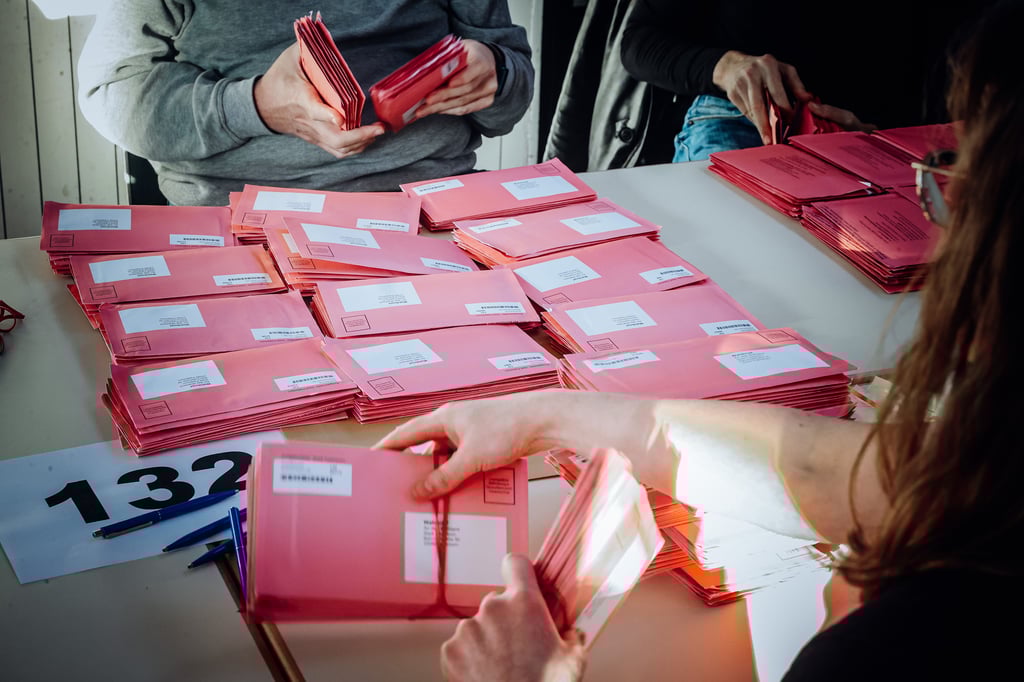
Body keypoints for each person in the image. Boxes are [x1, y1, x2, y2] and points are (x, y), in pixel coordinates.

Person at [376, 1, 1024, 678]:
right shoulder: (994, 478)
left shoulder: (896, 647)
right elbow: (834, 469)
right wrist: (545, 415)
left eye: (951, 177)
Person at [77, 1, 534, 207]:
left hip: (434, 207)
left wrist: (498, 73)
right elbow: (110, 93)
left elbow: (509, 97)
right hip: (240, 223)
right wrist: (254, 106)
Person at [619, 0, 992, 162]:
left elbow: (966, 62)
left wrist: (885, 136)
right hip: (746, 120)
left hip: (886, 137)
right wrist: (726, 66)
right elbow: (639, 41)